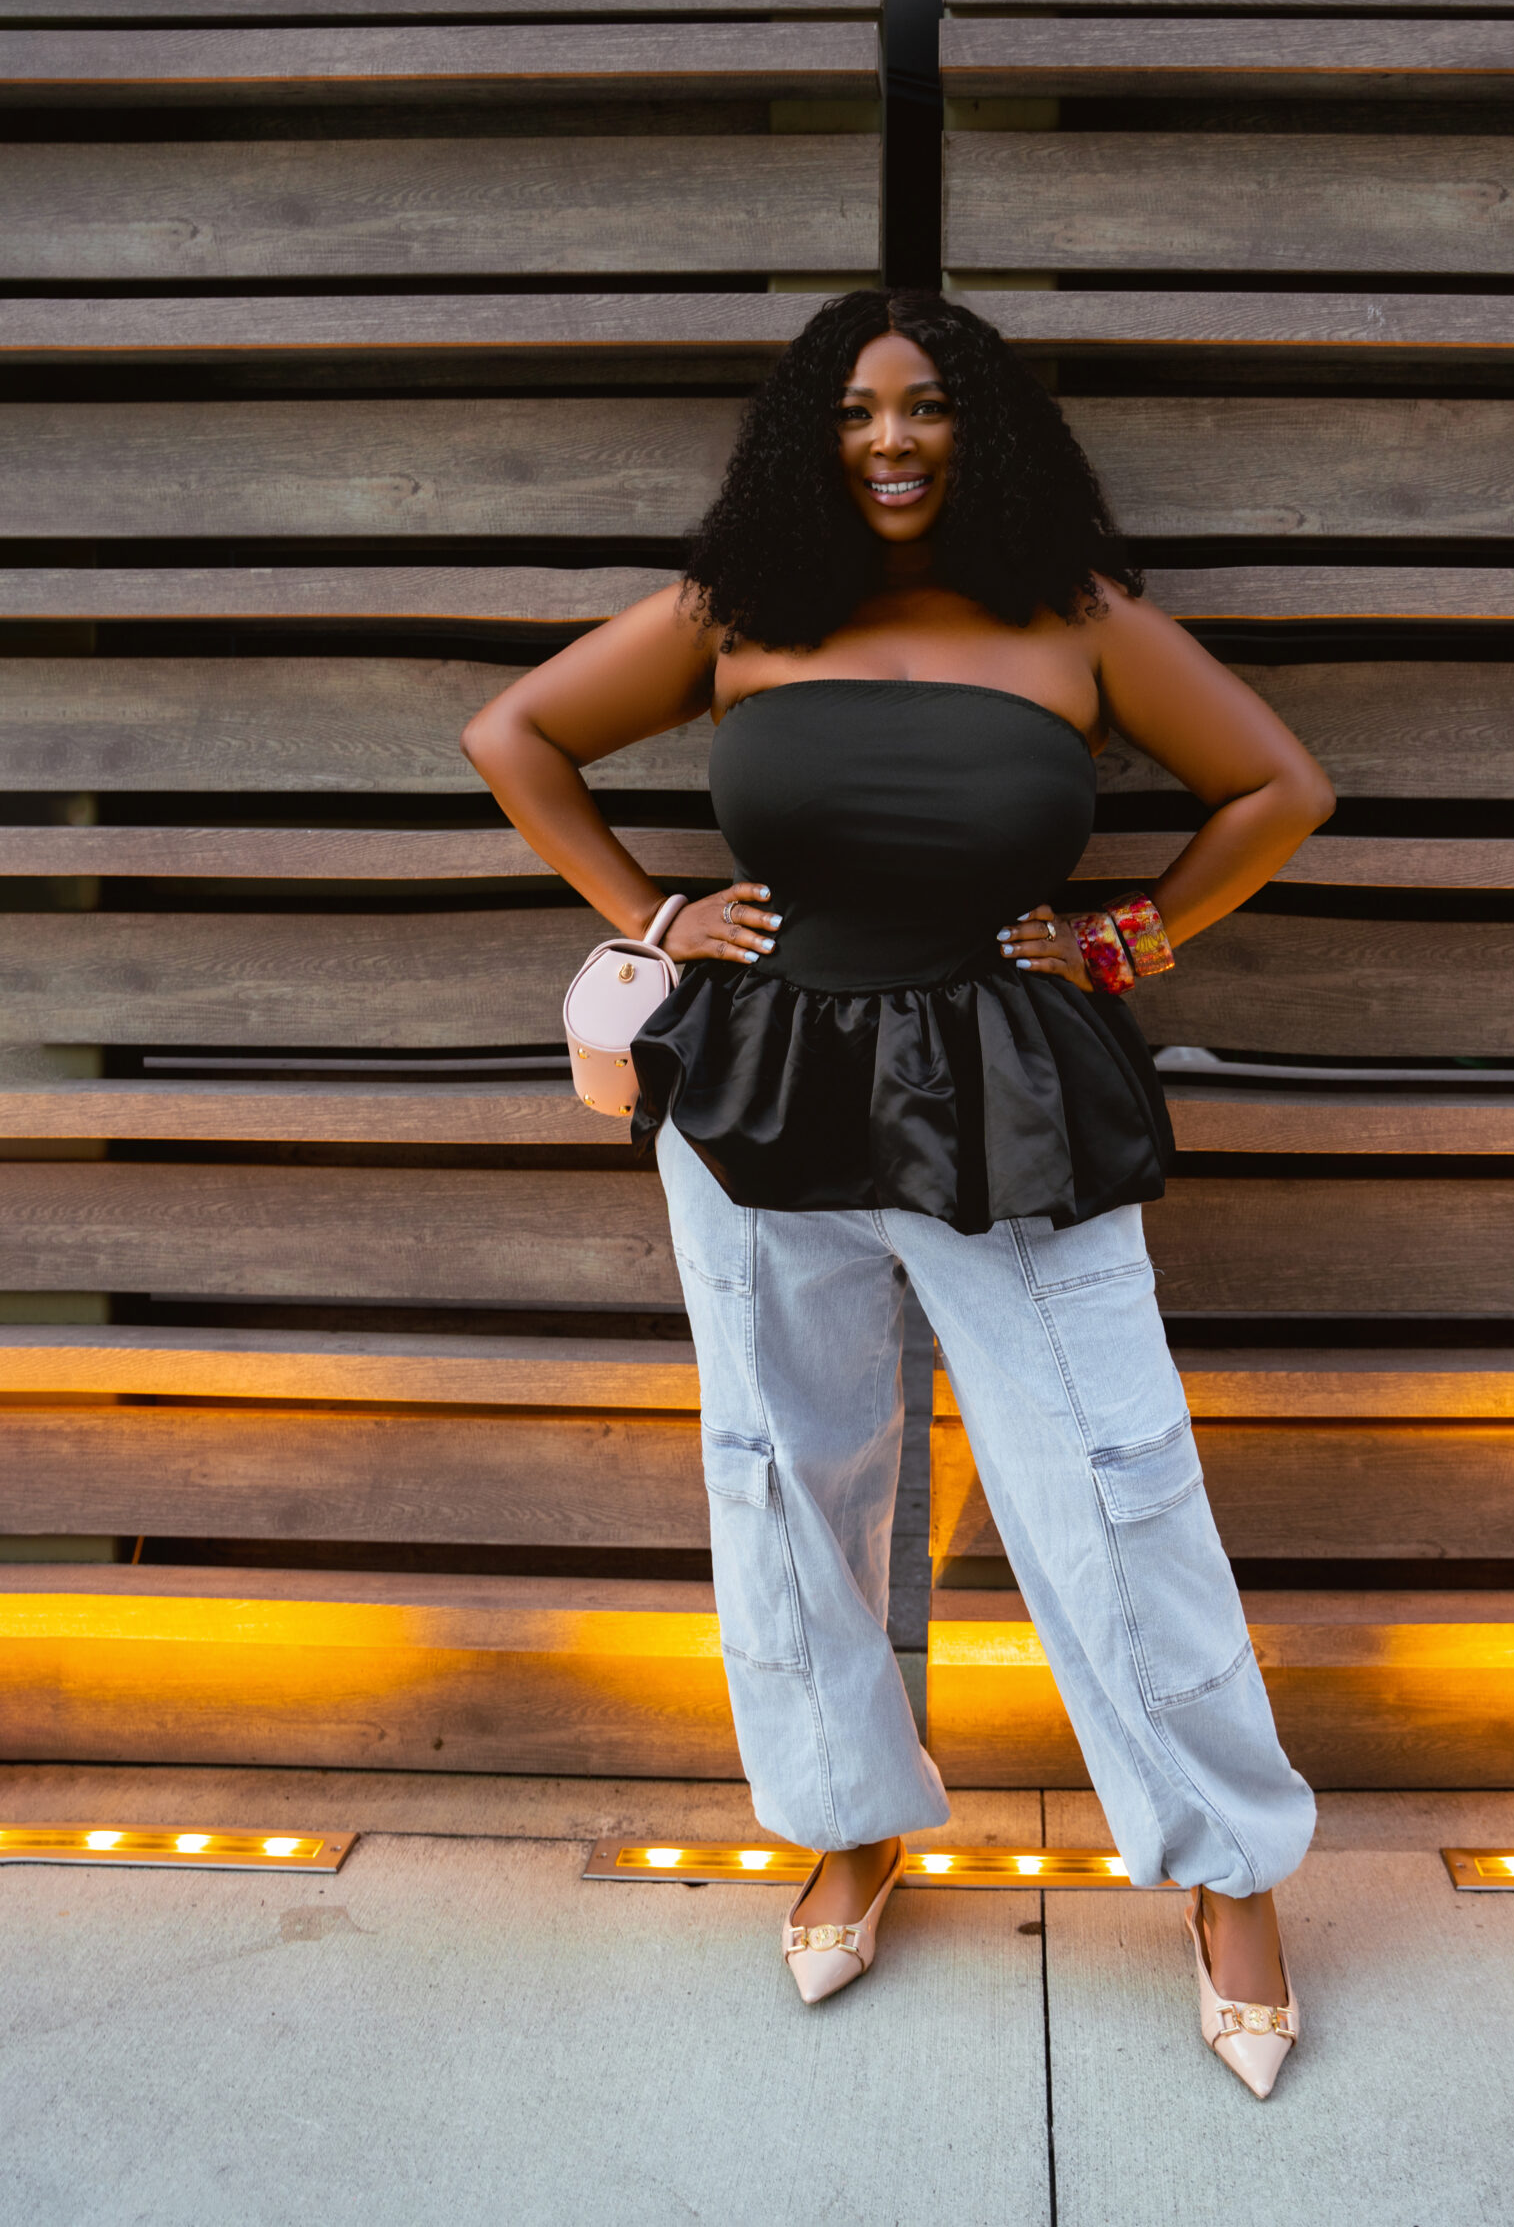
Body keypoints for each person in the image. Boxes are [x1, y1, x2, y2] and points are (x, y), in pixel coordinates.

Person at [462, 290, 1335, 2099]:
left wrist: (1131, 936)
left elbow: (1278, 786)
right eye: (854, 410)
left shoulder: (1075, 617)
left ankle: (1228, 1874)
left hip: (1010, 1098)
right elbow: (515, 736)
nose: (888, 440)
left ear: (978, 428)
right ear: (809, 433)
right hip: (762, 1097)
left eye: (925, 407)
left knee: (1110, 1479)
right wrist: (652, 916)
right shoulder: (733, 612)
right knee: (785, 1471)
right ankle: (848, 1827)